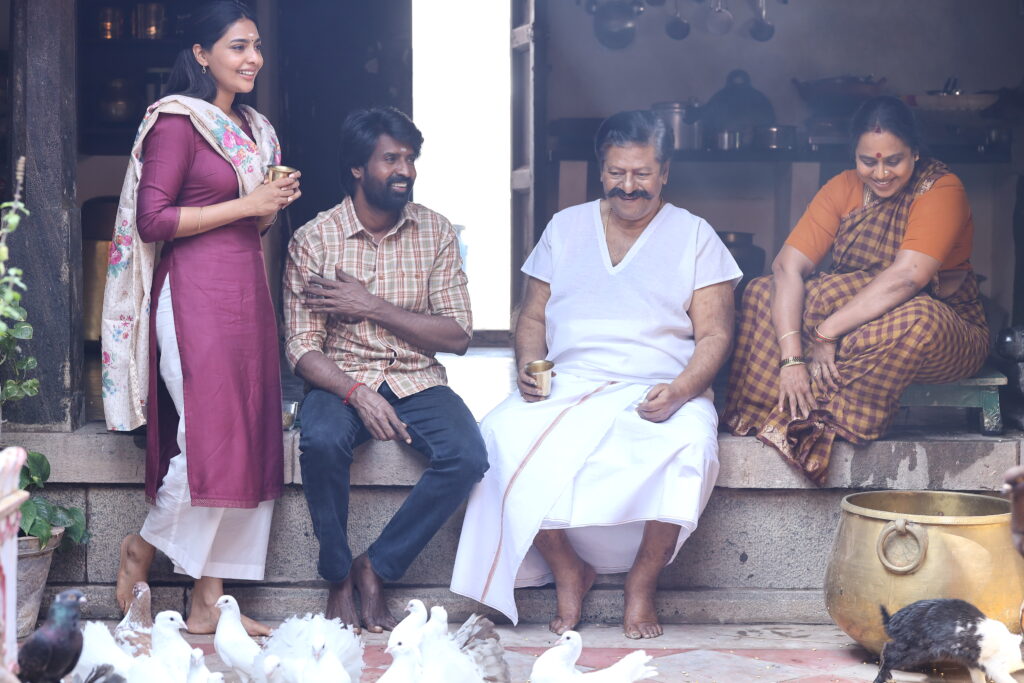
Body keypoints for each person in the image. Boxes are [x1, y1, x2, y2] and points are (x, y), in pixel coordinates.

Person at [451, 110, 740, 639]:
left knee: (690, 445)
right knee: (496, 436)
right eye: (616, 173)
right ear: (600, 170)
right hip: (571, 382)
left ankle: (642, 582)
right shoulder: (565, 227)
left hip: (661, 386)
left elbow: (716, 335)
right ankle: (568, 568)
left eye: (642, 173)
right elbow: (532, 317)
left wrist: (681, 391)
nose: (628, 186)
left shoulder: (695, 236)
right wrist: (529, 366)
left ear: (664, 172)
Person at [102, 0, 300, 635]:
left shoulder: (255, 128)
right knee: (208, 438)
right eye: (238, 46)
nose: (253, 58)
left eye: (256, 46)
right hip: (192, 293)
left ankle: (208, 600)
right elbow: (153, 219)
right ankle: (142, 547)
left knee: (248, 438)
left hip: (246, 292)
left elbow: (253, 224)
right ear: (201, 54)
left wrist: (268, 205)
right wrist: (248, 203)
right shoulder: (176, 122)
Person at [282, 106, 488, 633]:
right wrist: (357, 393)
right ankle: (337, 577)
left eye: (410, 159)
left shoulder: (435, 232)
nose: (406, 171)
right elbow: (301, 348)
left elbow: (458, 335)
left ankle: (375, 566)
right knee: (321, 441)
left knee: (467, 456)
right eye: (391, 159)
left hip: (418, 379)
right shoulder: (314, 240)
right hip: (342, 378)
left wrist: (370, 306)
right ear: (357, 167)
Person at [723, 96, 988, 483]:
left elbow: (908, 277)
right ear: (855, 156)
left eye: (893, 161)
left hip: (940, 330)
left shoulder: (942, 188)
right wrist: (792, 359)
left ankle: (813, 424)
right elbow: (787, 266)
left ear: (915, 153)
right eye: (868, 161)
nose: (880, 173)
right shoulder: (843, 187)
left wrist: (826, 332)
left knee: (918, 317)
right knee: (764, 292)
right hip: (858, 324)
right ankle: (778, 402)